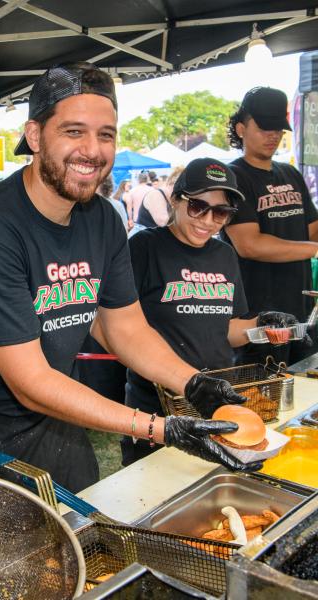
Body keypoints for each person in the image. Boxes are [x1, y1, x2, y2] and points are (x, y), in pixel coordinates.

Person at [0, 63, 262, 494]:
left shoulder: (103, 218)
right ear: (34, 136)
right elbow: (28, 381)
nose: (92, 150)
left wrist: (193, 382)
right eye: (73, 131)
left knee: (84, 520)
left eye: (105, 134)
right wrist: (159, 428)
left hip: (58, 405)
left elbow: (123, 327)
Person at [122, 158, 302, 465]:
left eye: (221, 212)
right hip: (159, 403)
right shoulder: (144, 247)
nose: (208, 220)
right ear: (176, 200)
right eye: (197, 206)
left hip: (214, 399)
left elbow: (226, 330)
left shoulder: (224, 254)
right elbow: (120, 328)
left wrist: (261, 325)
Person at [223, 86, 318, 366]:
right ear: (241, 128)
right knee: (262, 399)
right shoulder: (233, 177)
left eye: (278, 128)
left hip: (302, 314)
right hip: (257, 321)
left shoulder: (290, 173)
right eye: (265, 127)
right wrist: (313, 249)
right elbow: (249, 244)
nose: (273, 135)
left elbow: (312, 228)